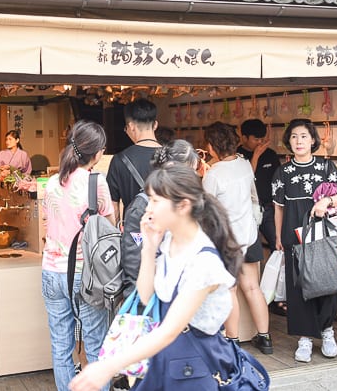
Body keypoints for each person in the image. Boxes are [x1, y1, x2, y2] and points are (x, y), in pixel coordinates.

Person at [69, 163, 244, 391]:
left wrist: (108, 367)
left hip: (194, 370)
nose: (148, 208)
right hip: (167, 361)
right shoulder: (171, 241)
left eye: (155, 201)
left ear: (182, 205)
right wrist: (149, 248)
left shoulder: (203, 262)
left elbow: (169, 330)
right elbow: (145, 294)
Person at [41, 120, 116, 391]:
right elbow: (108, 228)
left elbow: (50, 223)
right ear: (97, 154)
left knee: (61, 347)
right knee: (96, 346)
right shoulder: (96, 182)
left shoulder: (51, 182)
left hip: (51, 271)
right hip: (86, 275)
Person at [271, 119, 337, 363]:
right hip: (293, 235)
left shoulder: (326, 167)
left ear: (313, 140)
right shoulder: (282, 172)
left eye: (304, 136)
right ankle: (304, 337)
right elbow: (278, 209)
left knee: (327, 282)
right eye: (294, 137)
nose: (299, 141)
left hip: (323, 233)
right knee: (298, 288)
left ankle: (327, 331)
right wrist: (277, 237)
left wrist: (325, 201)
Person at [203, 122, 272, 354]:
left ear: (212, 147)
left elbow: (206, 212)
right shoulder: (244, 165)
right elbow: (254, 197)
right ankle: (265, 338)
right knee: (253, 287)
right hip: (250, 235)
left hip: (227, 241)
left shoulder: (213, 174)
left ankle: (231, 340)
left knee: (230, 290)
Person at [121, 139, 200, 297]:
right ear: (171, 169)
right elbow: (133, 262)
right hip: (149, 295)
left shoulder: (185, 203)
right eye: (190, 171)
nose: (194, 176)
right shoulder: (141, 207)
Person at [238, 118, 286, 316]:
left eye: (261, 139)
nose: (259, 143)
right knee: (250, 254)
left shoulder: (271, 155)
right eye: (255, 139)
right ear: (244, 137)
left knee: (279, 247)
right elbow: (246, 178)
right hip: (247, 211)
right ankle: (251, 297)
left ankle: (275, 297)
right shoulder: (238, 156)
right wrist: (256, 156)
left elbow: (278, 181)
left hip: (268, 209)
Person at [107, 99, 160, 217]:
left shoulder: (119, 160)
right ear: (155, 125)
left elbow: (113, 207)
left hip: (134, 232)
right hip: (167, 232)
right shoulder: (174, 157)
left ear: (131, 126)